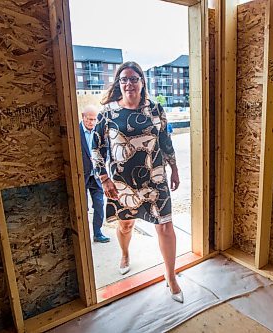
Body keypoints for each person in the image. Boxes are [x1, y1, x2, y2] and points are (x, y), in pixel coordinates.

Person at [91, 61, 183, 303]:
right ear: (118, 84)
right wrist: (104, 178)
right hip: (122, 182)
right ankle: (124, 254)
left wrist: (174, 168)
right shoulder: (108, 113)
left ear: (142, 82)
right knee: (126, 226)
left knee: (165, 225)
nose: (129, 83)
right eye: (124, 79)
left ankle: (171, 276)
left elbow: (165, 140)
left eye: (133, 79)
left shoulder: (155, 109)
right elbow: (96, 149)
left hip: (156, 177)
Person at [80, 105, 110, 243]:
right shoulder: (75, 132)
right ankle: (83, 234)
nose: (92, 122)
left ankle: (97, 234)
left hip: (97, 176)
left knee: (99, 205)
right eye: (89, 119)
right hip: (82, 176)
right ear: (83, 117)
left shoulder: (100, 132)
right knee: (82, 207)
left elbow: (106, 151)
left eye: (94, 120)